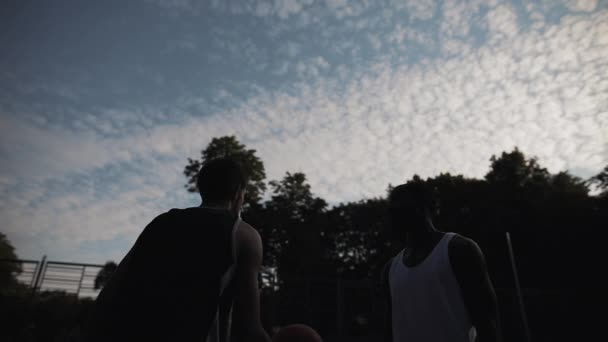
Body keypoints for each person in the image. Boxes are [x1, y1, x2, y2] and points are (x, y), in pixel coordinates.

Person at [82, 158, 271, 342]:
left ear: (201, 189)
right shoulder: (244, 235)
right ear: (238, 192)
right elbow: (250, 328)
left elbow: (109, 294)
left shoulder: (161, 222)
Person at [382, 181, 500, 342]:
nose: (393, 212)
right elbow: (389, 329)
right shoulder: (390, 269)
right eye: (391, 208)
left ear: (422, 208)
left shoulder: (458, 249)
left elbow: (486, 322)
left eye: (400, 206)